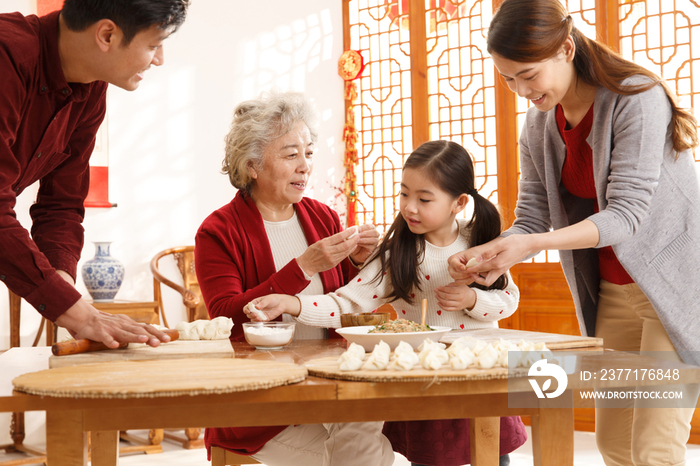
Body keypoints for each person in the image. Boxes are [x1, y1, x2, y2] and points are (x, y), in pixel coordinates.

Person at [447, 0, 700, 465]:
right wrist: (494, 253)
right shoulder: (540, 124)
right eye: (508, 79)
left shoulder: (636, 98)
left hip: (677, 289)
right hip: (612, 293)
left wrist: (532, 244)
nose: (520, 90)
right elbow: (531, 217)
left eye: (528, 75)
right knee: (614, 445)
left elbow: (626, 216)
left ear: (565, 48)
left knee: (653, 450)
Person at [248, 140, 526, 466]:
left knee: (495, 456)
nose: (409, 207)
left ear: (459, 202)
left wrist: (473, 298)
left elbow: (510, 300)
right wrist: (292, 304)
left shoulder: (483, 241)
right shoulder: (398, 254)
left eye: (424, 199)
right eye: (404, 194)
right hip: (428, 380)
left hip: (485, 375)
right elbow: (347, 303)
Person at [194, 91, 392, 465]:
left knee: (368, 424)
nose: (305, 166)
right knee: (375, 455)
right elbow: (225, 314)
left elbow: (343, 301)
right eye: (291, 154)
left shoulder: (322, 217)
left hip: (328, 381)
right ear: (252, 165)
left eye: (309, 153)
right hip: (261, 401)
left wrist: (360, 264)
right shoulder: (218, 230)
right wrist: (301, 268)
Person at [0, 0, 189, 348]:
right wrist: (76, 312)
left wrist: (60, 280)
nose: (159, 59)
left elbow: (61, 204)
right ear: (106, 34)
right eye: (153, 44)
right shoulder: (7, 56)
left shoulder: (90, 89)